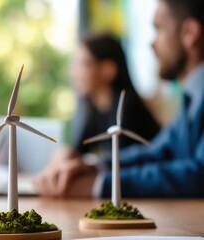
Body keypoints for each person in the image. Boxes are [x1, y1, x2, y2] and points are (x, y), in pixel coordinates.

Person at [34, 0, 204, 198]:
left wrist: (101, 185)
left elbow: (200, 174)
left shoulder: (130, 108)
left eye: (159, 29)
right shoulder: (191, 98)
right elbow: (160, 152)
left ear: (190, 33)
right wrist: (94, 167)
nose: (152, 43)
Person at [67, 34, 159, 161]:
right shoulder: (96, 108)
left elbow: (122, 162)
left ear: (108, 70)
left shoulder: (128, 107)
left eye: (84, 64)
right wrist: (66, 155)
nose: (73, 73)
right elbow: (79, 149)